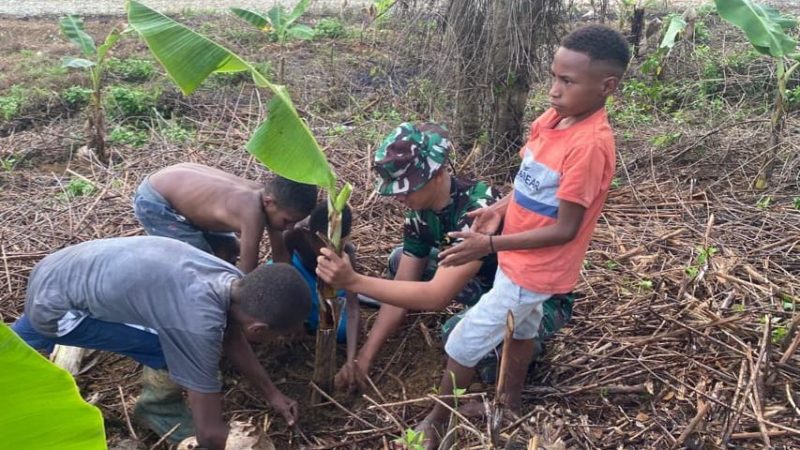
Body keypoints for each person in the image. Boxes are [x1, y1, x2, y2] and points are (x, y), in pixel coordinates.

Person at [321, 24, 629, 448]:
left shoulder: (588, 146)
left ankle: (439, 419)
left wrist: (487, 243)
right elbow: (528, 186)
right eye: (554, 77)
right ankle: (509, 403)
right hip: (510, 263)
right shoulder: (551, 122)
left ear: (606, 87)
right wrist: (500, 210)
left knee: (461, 341)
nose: (554, 90)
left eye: (567, 81)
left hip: (533, 271)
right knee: (500, 318)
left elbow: (566, 228)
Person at [12, 236, 312, 450]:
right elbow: (208, 435)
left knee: (19, 342)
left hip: (58, 269)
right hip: (60, 309)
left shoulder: (233, 281)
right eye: (277, 336)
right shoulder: (197, 325)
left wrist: (271, 394)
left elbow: (232, 333)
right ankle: (157, 408)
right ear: (259, 329)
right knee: (166, 346)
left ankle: (14, 340)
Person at [315, 122, 501, 393]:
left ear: (437, 174)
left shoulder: (474, 212)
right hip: (476, 282)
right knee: (399, 259)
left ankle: (522, 346)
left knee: (457, 337)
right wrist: (363, 359)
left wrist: (353, 281)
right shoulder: (419, 212)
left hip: (511, 295)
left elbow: (437, 297)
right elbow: (403, 280)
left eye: (408, 187)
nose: (400, 196)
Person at [133, 162, 318, 272]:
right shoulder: (252, 211)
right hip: (156, 201)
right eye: (287, 221)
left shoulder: (269, 201)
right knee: (200, 262)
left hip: (175, 186)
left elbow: (281, 258)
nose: (289, 228)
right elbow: (247, 268)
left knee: (229, 248)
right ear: (270, 202)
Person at [282, 203, 360, 381]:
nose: (330, 251)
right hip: (299, 272)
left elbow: (354, 310)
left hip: (330, 283)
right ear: (310, 236)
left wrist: (351, 360)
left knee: (341, 332)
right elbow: (285, 272)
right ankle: (306, 316)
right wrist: (296, 320)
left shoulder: (347, 253)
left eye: (337, 245)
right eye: (323, 244)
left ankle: (312, 315)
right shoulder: (295, 235)